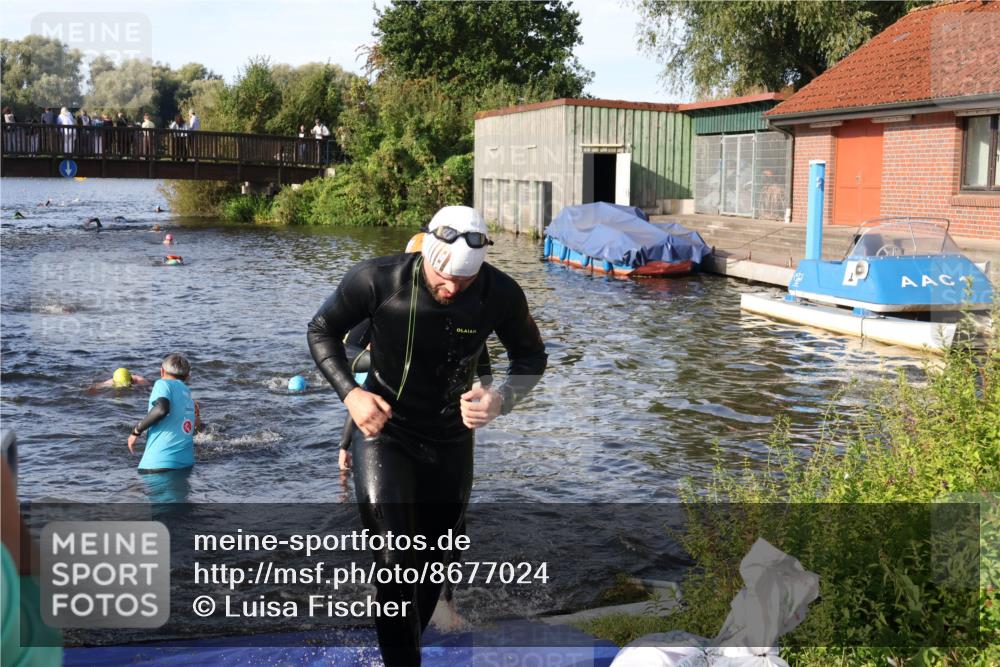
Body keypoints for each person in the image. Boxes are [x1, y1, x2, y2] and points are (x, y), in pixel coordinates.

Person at [308, 205, 546, 665]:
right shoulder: (377, 280)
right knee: (395, 562)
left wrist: (501, 399)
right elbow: (322, 331)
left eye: (464, 281)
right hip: (385, 431)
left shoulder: (500, 293)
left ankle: (404, 652)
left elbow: (532, 357)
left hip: (451, 439)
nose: (451, 288)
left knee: (433, 566)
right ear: (427, 255)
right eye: (444, 277)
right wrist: (351, 395)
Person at [127, 354, 199, 472]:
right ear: (187, 376)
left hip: (159, 464)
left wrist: (136, 432)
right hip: (186, 464)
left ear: (162, 371)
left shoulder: (162, 384)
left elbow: (161, 409)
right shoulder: (188, 394)